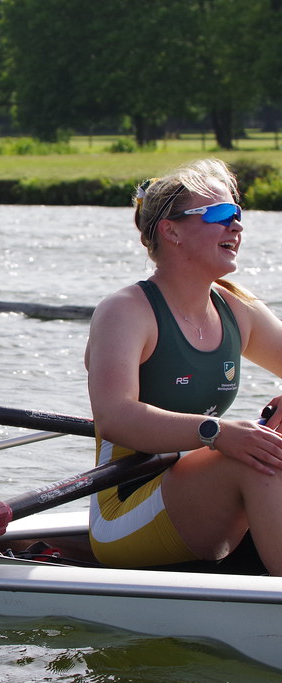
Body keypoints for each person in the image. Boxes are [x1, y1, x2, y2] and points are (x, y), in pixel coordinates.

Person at [85, 158, 282, 576]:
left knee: (264, 447)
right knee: (257, 458)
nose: (236, 226)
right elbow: (115, 418)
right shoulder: (126, 311)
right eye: (220, 214)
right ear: (170, 231)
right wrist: (218, 432)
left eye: (237, 213)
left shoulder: (236, 308)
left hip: (192, 487)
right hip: (125, 506)